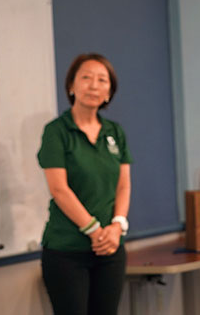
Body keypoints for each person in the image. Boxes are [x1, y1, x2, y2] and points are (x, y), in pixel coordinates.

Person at [37, 53, 131, 315]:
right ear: (71, 86)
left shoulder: (115, 132)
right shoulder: (56, 131)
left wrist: (117, 226)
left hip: (111, 249)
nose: (93, 85)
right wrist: (94, 231)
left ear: (109, 92)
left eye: (102, 80)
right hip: (67, 251)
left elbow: (123, 186)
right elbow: (59, 189)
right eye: (86, 78)